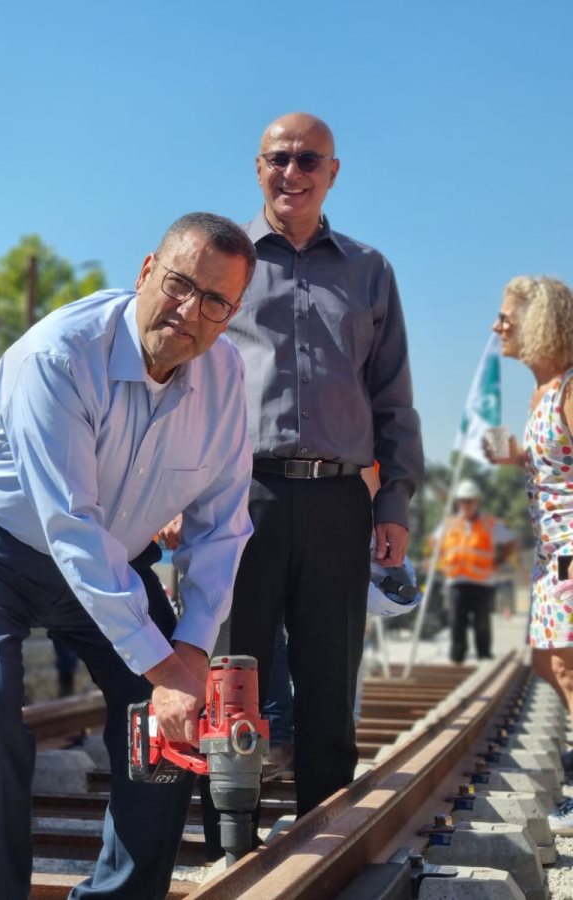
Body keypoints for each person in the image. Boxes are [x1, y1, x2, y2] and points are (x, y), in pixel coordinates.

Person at [0, 211, 256, 899]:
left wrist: (189, 655)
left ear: (232, 314)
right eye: (179, 284)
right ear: (144, 272)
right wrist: (163, 663)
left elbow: (221, 528)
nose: (190, 311)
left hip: (109, 558)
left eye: (215, 301)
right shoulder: (61, 355)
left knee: (175, 718)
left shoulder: (225, 383)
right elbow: (69, 525)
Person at [210, 112, 424, 831]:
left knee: (329, 683)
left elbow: (393, 398)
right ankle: (228, 845)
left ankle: (325, 838)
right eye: (279, 158)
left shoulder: (369, 271)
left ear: (333, 172)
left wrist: (393, 500)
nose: (292, 173)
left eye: (309, 160)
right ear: (257, 166)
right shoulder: (225, 262)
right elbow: (182, 381)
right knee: (233, 675)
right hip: (243, 496)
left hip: (339, 501)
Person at [483, 276, 573, 834]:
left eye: (507, 318)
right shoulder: (545, 391)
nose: (498, 327)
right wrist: (516, 457)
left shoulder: (569, 389)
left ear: (539, 320)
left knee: (565, 664)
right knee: (548, 663)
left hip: (569, 552)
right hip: (550, 555)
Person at [437, 479, 516, 663]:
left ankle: (484, 654)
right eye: (463, 501)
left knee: (482, 621)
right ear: (458, 503)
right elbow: (435, 545)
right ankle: (457, 657)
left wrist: (500, 560)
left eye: (470, 501)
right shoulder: (449, 525)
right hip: (456, 581)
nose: (466, 505)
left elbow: (510, 541)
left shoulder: (490, 524)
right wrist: (442, 561)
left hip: (482, 582)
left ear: (477, 501)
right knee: (457, 621)